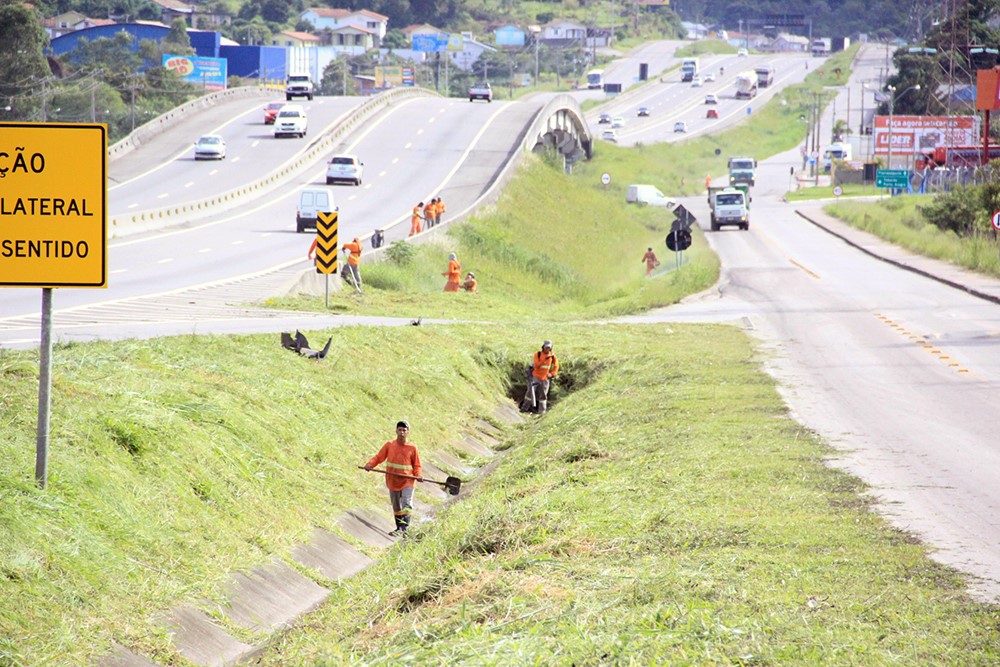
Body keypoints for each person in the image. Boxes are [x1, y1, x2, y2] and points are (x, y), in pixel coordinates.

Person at [364, 420, 423, 537]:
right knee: (396, 506)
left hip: (407, 480)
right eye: (400, 430)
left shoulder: (412, 448)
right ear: (396, 431)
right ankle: (399, 528)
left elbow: (417, 465)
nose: (402, 432)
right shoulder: (389, 445)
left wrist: (419, 475)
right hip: (392, 481)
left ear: (408, 432)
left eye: (404, 430)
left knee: (406, 503)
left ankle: (404, 528)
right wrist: (370, 465)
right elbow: (379, 457)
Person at [521, 340, 559, 414]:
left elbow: (556, 366)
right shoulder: (537, 354)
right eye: (546, 347)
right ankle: (524, 408)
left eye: (549, 348)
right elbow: (537, 365)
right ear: (543, 347)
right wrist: (545, 358)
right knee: (530, 393)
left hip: (545, 379)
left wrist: (552, 374)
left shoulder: (553, 356)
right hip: (536, 377)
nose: (547, 349)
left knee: (543, 396)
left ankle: (541, 412)